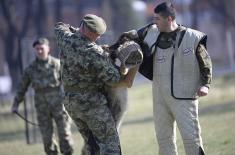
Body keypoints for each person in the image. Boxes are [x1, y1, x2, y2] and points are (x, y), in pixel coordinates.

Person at [120, 2, 212, 155]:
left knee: (191, 139)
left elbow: (206, 64)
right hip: (159, 96)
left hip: (184, 96)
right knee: (163, 140)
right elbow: (129, 36)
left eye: (157, 18)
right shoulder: (151, 31)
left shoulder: (192, 37)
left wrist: (205, 85)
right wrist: (121, 46)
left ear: (169, 19)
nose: (154, 21)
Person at [54, 14, 139, 155]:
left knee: (92, 145)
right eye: (97, 34)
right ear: (89, 32)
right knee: (110, 145)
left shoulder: (65, 38)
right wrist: (128, 64)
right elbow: (115, 79)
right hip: (91, 105)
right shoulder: (94, 52)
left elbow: (59, 26)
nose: (98, 38)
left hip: (71, 103)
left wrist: (78, 31)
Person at [11, 37, 74, 155]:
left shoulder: (57, 64)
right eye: (37, 49)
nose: (39, 51)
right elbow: (21, 88)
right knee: (47, 138)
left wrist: (73, 99)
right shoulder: (30, 69)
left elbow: (69, 83)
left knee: (64, 134)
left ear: (48, 49)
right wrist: (15, 104)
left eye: (42, 48)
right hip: (42, 107)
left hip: (59, 105)